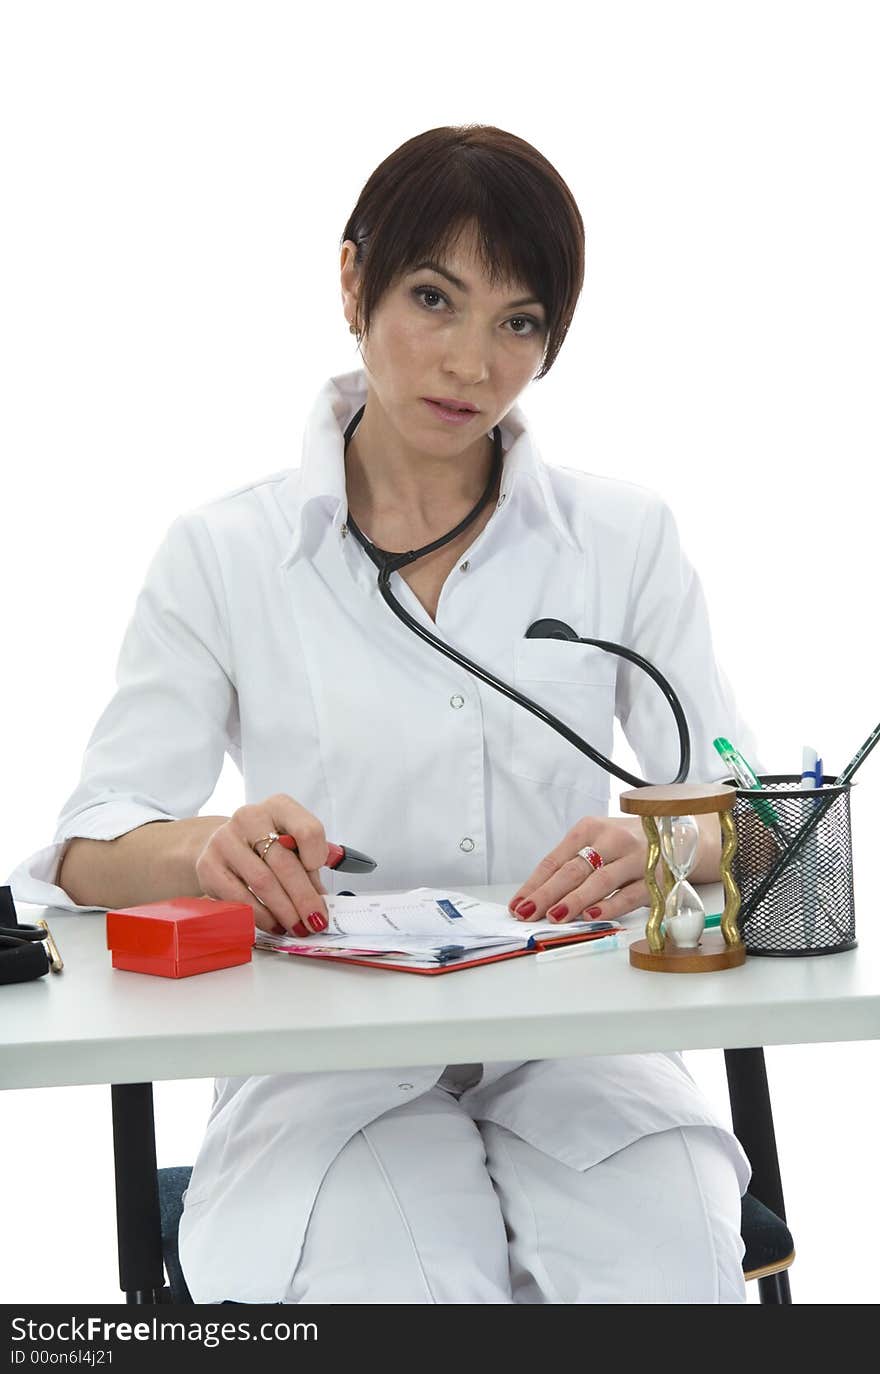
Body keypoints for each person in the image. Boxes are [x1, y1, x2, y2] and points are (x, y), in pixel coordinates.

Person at [9, 124, 763, 1304]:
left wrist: (665, 839)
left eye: (518, 322)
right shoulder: (228, 551)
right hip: (316, 1061)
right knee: (395, 1285)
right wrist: (204, 848)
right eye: (433, 298)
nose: (472, 362)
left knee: (660, 1276)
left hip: (582, 1038)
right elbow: (94, 841)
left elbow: (743, 810)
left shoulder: (625, 537)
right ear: (351, 280)